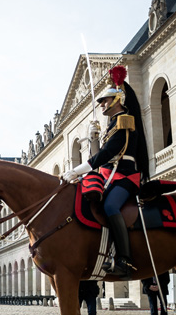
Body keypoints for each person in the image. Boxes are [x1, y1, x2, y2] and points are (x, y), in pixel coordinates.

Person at [62, 65, 150, 278]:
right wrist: (93, 139)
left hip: (126, 177)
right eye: (100, 101)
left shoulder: (124, 122)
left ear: (118, 100)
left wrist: (77, 171)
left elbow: (108, 154)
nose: (101, 104)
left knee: (111, 206)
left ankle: (124, 259)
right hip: (110, 176)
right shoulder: (111, 126)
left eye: (105, 100)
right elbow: (101, 156)